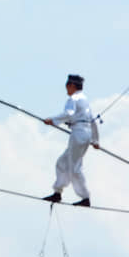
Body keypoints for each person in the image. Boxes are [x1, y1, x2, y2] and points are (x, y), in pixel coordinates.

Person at [41, 74, 100, 206]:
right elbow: (93, 120)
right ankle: (57, 193)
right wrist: (95, 140)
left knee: (75, 168)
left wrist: (52, 120)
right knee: (62, 163)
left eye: (67, 87)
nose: (66, 90)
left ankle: (85, 197)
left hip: (78, 133)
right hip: (85, 134)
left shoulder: (73, 99)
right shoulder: (85, 100)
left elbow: (68, 114)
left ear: (72, 85)